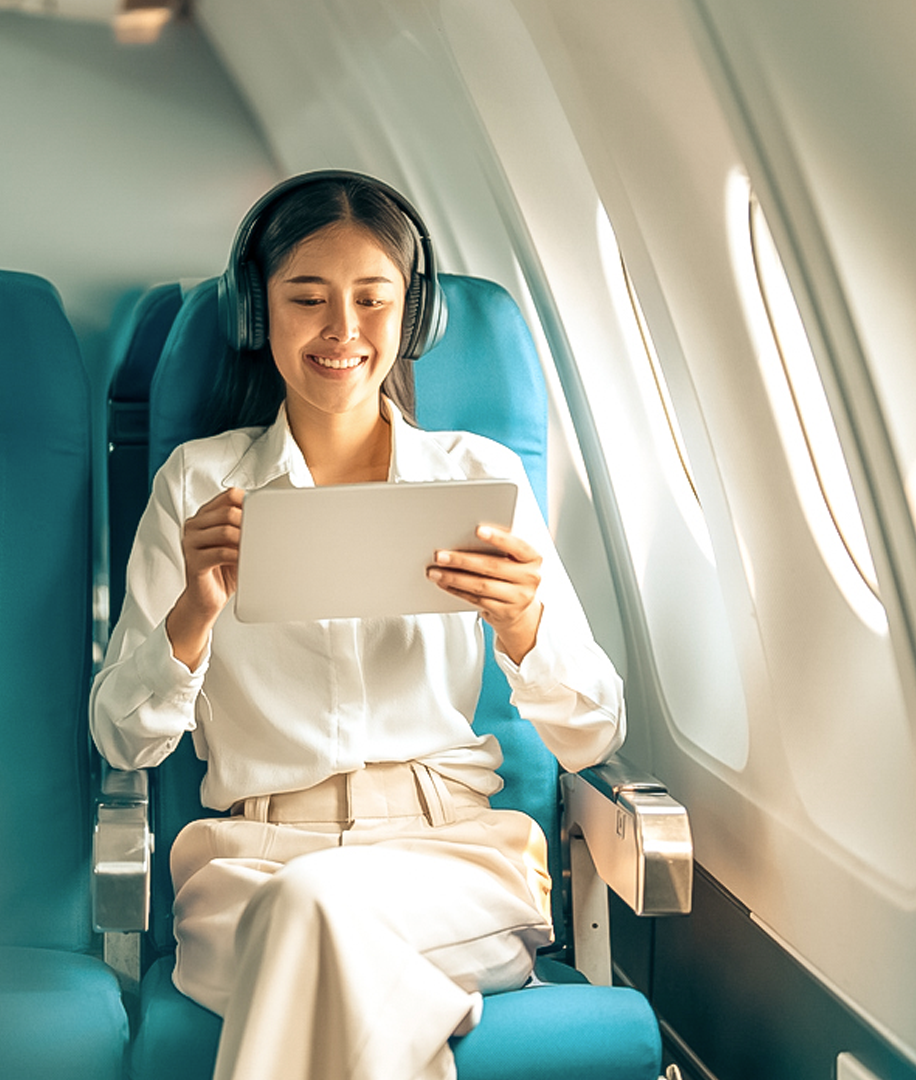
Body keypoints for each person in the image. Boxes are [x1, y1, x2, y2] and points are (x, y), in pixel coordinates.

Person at [89, 171, 625, 1080]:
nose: (342, 331)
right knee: (307, 910)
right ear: (260, 315)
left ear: (409, 320)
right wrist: (194, 610)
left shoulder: (474, 477)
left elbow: (594, 733)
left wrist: (525, 624)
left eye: (372, 301)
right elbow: (123, 739)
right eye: (307, 299)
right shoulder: (197, 483)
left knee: (315, 919)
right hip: (248, 870)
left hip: (450, 863)